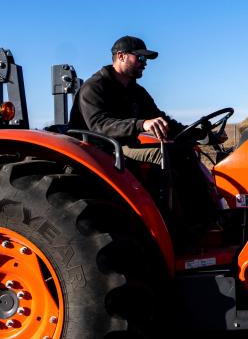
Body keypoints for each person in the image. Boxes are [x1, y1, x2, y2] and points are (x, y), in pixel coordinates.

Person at [68, 36, 215, 233]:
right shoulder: (94, 87)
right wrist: (141, 124)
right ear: (121, 56)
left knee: (184, 149)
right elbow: (99, 125)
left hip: (124, 143)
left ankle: (206, 216)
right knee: (163, 154)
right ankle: (168, 224)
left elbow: (162, 119)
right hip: (99, 147)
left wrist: (199, 133)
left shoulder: (136, 91)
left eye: (145, 60)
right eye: (140, 58)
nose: (144, 64)